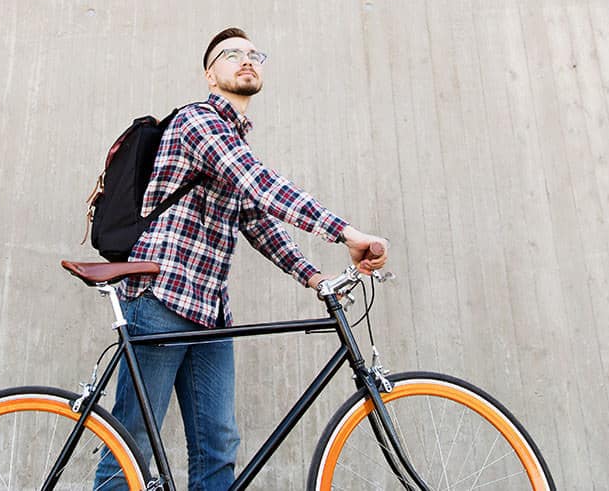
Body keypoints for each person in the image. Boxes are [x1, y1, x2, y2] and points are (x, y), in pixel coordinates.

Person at [94, 27, 389, 490]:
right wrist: (345, 232)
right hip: (160, 298)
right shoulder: (198, 122)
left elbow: (257, 221)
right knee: (130, 450)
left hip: (211, 312)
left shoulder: (235, 140)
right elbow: (259, 184)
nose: (246, 60)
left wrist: (315, 277)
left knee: (217, 449)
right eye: (231, 55)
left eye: (255, 54)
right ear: (210, 75)